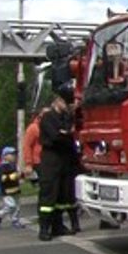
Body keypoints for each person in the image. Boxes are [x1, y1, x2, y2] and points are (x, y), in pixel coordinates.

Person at [38, 90, 78, 241]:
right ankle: (44, 228)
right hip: (51, 159)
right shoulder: (48, 117)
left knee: (62, 195)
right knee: (48, 194)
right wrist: (65, 134)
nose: (67, 106)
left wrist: (65, 133)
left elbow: (71, 135)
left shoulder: (66, 117)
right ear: (57, 101)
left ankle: (58, 226)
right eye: (64, 102)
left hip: (64, 159)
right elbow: (55, 137)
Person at [0, 147, 27, 229]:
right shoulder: (3, 167)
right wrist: (14, 176)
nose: (14, 156)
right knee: (11, 206)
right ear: (5, 156)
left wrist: (22, 175)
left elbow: (18, 175)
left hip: (15, 189)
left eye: (15, 154)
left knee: (17, 206)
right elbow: (3, 178)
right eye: (11, 154)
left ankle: (15, 220)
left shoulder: (14, 165)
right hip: (7, 191)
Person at [21, 112, 41, 186]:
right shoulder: (33, 128)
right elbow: (27, 145)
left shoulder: (49, 126)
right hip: (37, 161)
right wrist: (28, 163)